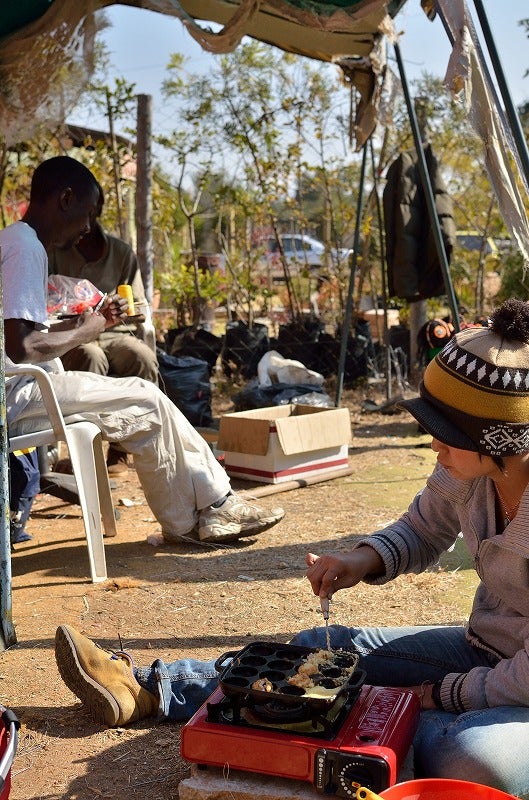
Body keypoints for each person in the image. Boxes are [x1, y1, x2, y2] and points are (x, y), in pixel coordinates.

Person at [55, 298, 529, 798]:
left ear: (498, 438)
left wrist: (435, 696)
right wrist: (357, 561)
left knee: (470, 757)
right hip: (484, 650)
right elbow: (423, 529)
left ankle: (402, 740)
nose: (434, 446)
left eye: (446, 434)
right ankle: (148, 687)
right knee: (320, 653)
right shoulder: (469, 469)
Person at [2, 155, 284, 545]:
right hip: (19, 395)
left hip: (23, 389)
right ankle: (206, 512)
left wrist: (82, 323)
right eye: (85, 214)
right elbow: (22, 346)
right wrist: (89, 329)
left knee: (147, 400)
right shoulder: (25, 248)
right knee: (147, 399)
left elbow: (24, 333)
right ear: (65, 199)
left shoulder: (16, 240)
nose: (87, 226)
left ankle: (207, 509)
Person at [48, 182, 157, 475]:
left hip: (114, 333)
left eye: (88, 215)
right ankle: (87, 452)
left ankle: (122, 451)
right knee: (90, 357)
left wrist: (121, 310)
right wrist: (73, 312)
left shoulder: (121, 253)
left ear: (93, 213)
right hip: (72, 334)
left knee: (139, 355)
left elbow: (139, 310)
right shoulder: (54, 251)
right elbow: (46, 303)